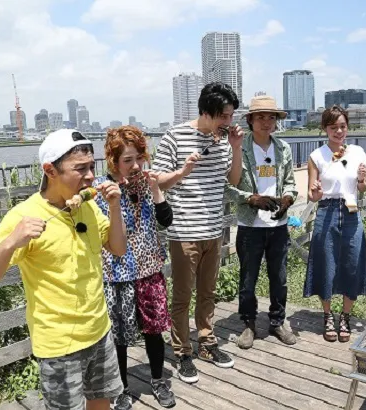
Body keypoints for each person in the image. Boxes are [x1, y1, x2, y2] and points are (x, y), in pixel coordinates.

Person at [0, 129, 127, 410]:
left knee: (101, 403)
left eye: (92, 166)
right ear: (50, 170)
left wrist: (115, 207)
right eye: (80, 168)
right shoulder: (22, 216)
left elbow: (118, 249)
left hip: (99, 329)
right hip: (59, 343)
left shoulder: (89, 206)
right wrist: (11, 241)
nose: (91, 176)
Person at [153, 82, 244, 383]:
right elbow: (158, 182)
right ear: (207, 112)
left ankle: (207, 342)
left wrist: (235, 147)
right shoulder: (175, 136)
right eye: (224, 116)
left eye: (231, 115)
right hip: (183, 231)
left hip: (213, 229)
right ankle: (181, 352)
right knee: (182, 295)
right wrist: (182, 173)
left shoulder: (223, 141)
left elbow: (233, 179)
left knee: (208, 292)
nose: (229, 122)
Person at [94, 126, 175, 409]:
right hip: (117, 273)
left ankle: (157, 379)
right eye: (127, 160)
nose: (135, 165)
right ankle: (122, 388)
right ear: (113, 161)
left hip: (149, 268)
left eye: (139, 157)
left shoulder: (145, 182)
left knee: (154, 330)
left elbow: (166, 220)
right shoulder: (102, 190)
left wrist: (154, 187)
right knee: (119, 336)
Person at [225, 95, 298, 350]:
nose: (266, 122)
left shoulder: (283, 149)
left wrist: (287, 199)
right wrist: (251, 199)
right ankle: (248, 323)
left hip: (278, 225)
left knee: (279, 278)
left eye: (271, 117)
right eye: (260, 117)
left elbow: (290, 181)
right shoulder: (238, 148)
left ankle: (278, 321)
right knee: (248, 279)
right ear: (250, 120)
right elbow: (227, 187)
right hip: (250, 226)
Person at [304, 106, 366, 343]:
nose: (339, 131)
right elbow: (312, 195)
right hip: (327, 211)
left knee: (353, 263)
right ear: (325, 129)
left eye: (342, 126)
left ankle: (345, 316)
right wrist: (316, 191)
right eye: (333, 127)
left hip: (352, 212)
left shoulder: (358, 152)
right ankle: (327, 315)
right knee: (327, 264)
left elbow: (362, 188)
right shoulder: (316, 156)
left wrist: (363, 180)